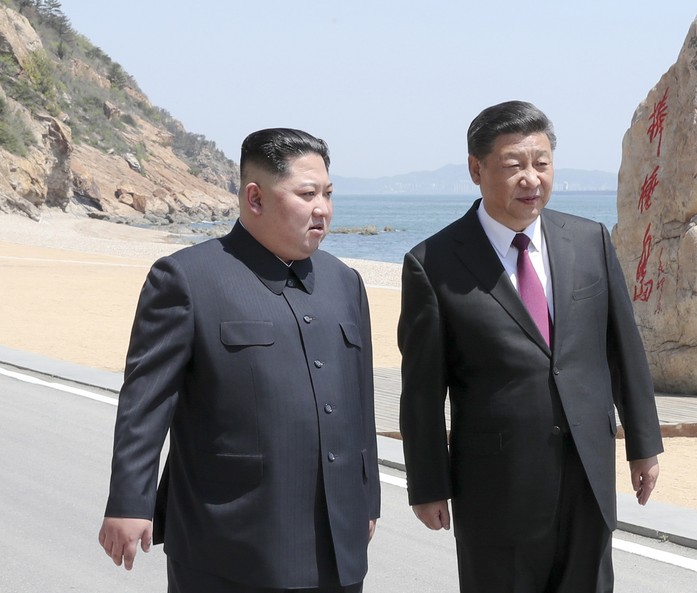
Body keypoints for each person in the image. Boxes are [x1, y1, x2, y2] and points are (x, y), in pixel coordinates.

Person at [98, 128, 380, 592]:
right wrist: (130, 501)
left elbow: (359, 401)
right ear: (255, 197)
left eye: (328, 194)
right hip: (229, 541)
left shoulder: (344, 282)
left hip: (337, 540)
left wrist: (367, 499)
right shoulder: (187, 279)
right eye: (307, 194)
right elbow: (145, 402)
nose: (323, 209)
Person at [398, 101, 663, 593]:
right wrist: (428, 485)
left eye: (541, 163)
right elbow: (421, 392)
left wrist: (644, 446)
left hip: (588, 473)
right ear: (477, 170)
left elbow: (624, 350)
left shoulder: (590, 240)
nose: (531, 178)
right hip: (497, 487)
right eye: (514, 165)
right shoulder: (432, 263)